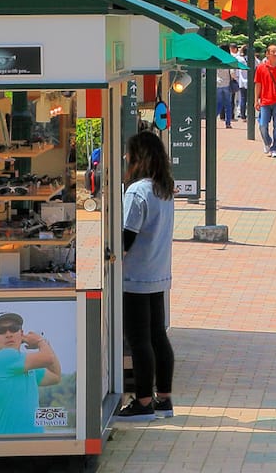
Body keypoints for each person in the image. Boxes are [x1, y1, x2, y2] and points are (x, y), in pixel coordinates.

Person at [114, 130, 177, 422]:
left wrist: (111, 257)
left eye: (129, 153)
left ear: (139, 157)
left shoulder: (137, 191)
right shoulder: (164, 188)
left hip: (135, 276)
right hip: (158, 272)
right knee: (157, 337)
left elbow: (126, 237)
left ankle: (141, 402)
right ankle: (163, 399)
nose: (126, 157)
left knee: (138, 339)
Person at [0, 312, 62, 433]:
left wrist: (44, 344)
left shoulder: (23, 363)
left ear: (21, 333)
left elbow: (55, 376)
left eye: (14, 329)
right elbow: (49, 358)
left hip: (34, 442)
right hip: (8, 444)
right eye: (1, 330)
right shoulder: (3, 358)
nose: (9, 334)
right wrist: (40, 341)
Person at [216, 44, 238, 129]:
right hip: (226, 84)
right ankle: (228, 122)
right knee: (228, 105)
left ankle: (213, 119)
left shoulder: (217, 59)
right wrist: (234, 79)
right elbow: (232, 73)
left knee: (219, 103)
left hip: (218, 83)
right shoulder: (229, 59)